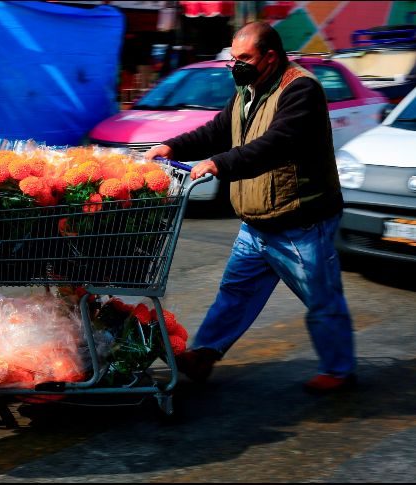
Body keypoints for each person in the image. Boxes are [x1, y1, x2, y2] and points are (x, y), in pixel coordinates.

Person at [145, 22, 356, 395]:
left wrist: (218, 164)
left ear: (270, 57)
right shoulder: (247, 88)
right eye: (233, 58)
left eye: (244, 58)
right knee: (235, 292)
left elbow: (277, 144)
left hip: (299, 220)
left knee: (321, 298)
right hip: (257, 221)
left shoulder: (301, 89)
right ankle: (204, 357)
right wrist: (172, 147)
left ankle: (339, 370)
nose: (235, 66)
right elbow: (217, 130)